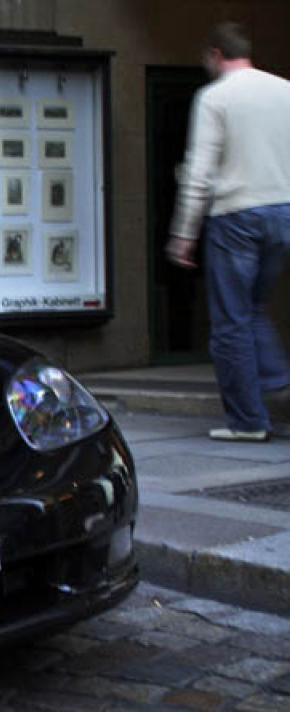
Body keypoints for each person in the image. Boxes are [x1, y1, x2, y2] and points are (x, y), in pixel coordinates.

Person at [167, 22, 290, 442]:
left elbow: (199, 172)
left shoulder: (214, 97)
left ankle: (248, 422)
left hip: (235, 216)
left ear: (216, 54)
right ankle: (275, 376)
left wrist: (184, 234)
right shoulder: (284, 90)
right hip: (282, 213)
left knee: (230, 322)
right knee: (253, 306)